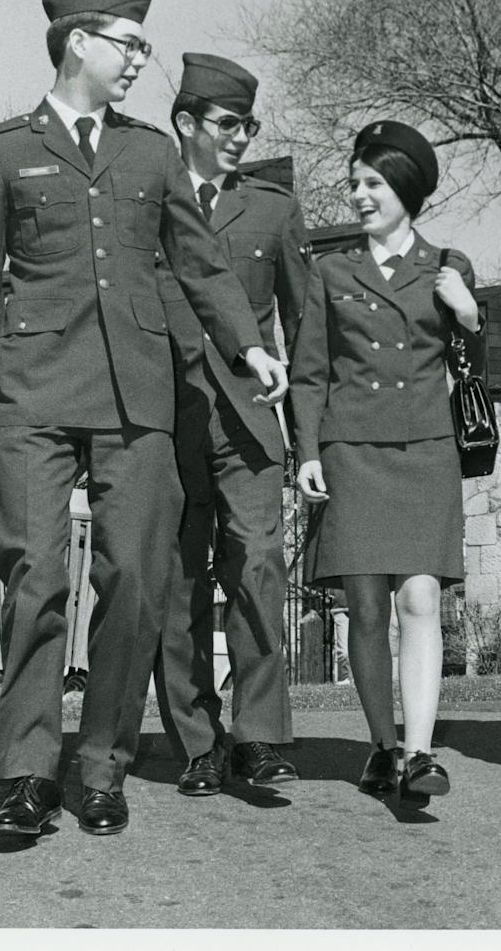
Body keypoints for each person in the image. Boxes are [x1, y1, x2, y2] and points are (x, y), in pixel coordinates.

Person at [0, 0, 287, 839]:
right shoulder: (0, 154)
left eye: (144, 44)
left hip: (138, 395)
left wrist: (249, 346)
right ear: (76, 43)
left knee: (135, 583)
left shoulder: (150, 155)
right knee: (35, 583)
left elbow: (201, 265)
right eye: (128, 43)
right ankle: (25, 774)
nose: (143, 58)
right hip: (32, 392)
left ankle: (101, 765)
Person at [290, 121, 482, 804]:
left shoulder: (448, 266)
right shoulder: (329, 272)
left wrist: (470, 316)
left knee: (421, 597)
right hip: (351, 451)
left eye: (372, 182)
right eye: (354, 182)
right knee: (366, 609)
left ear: (405, 187)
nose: (359, 194)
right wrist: (306, 453)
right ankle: (382, 744)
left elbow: (475, 375)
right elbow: (309, 374)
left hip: (425, 451)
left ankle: (422, 751)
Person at [151, 53, 311, 799]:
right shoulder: (143, 198)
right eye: (227, 122)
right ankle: (196, 740)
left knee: (258, 568)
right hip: (163, 418)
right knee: (178, 582)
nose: (242, 136)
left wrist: (308, 441)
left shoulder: (273, 210)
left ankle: (258, 735)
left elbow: (306, 335)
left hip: (249, 421)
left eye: (249, 123)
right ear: (186, 123)